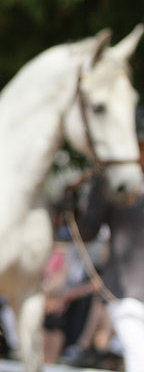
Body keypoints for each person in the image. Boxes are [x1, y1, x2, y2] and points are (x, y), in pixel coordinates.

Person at [74, 104, 144, 372]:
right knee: (140, 362)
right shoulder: (110, 182)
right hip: (128, 291)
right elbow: (87, 231)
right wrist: (75, 205)